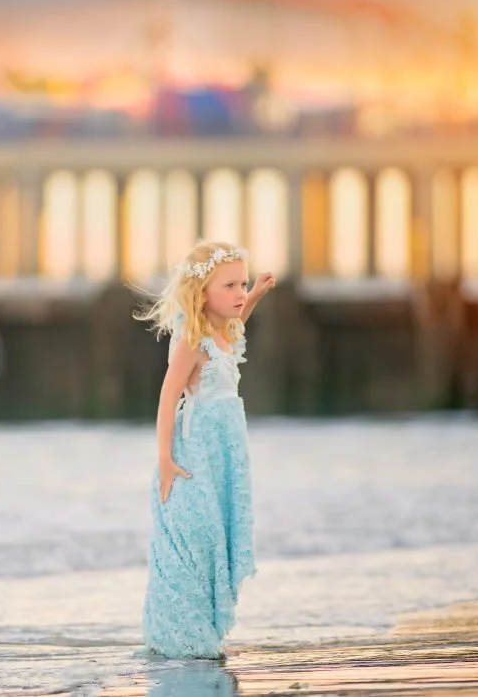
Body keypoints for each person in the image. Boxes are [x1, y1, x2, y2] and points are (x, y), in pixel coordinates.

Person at [134, 239, 276, 659]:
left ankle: (205, 630)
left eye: (242, 284)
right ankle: (182, 633)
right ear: (203, 293)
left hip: (225, 453)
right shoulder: (193, 342)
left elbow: (236, 324)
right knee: (198, 535)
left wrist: (256, 296)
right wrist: (165, 458)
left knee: (219, 531)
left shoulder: (224, 332)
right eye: (229, 286)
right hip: (195, 450)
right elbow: (167, 396)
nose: (238, 293)